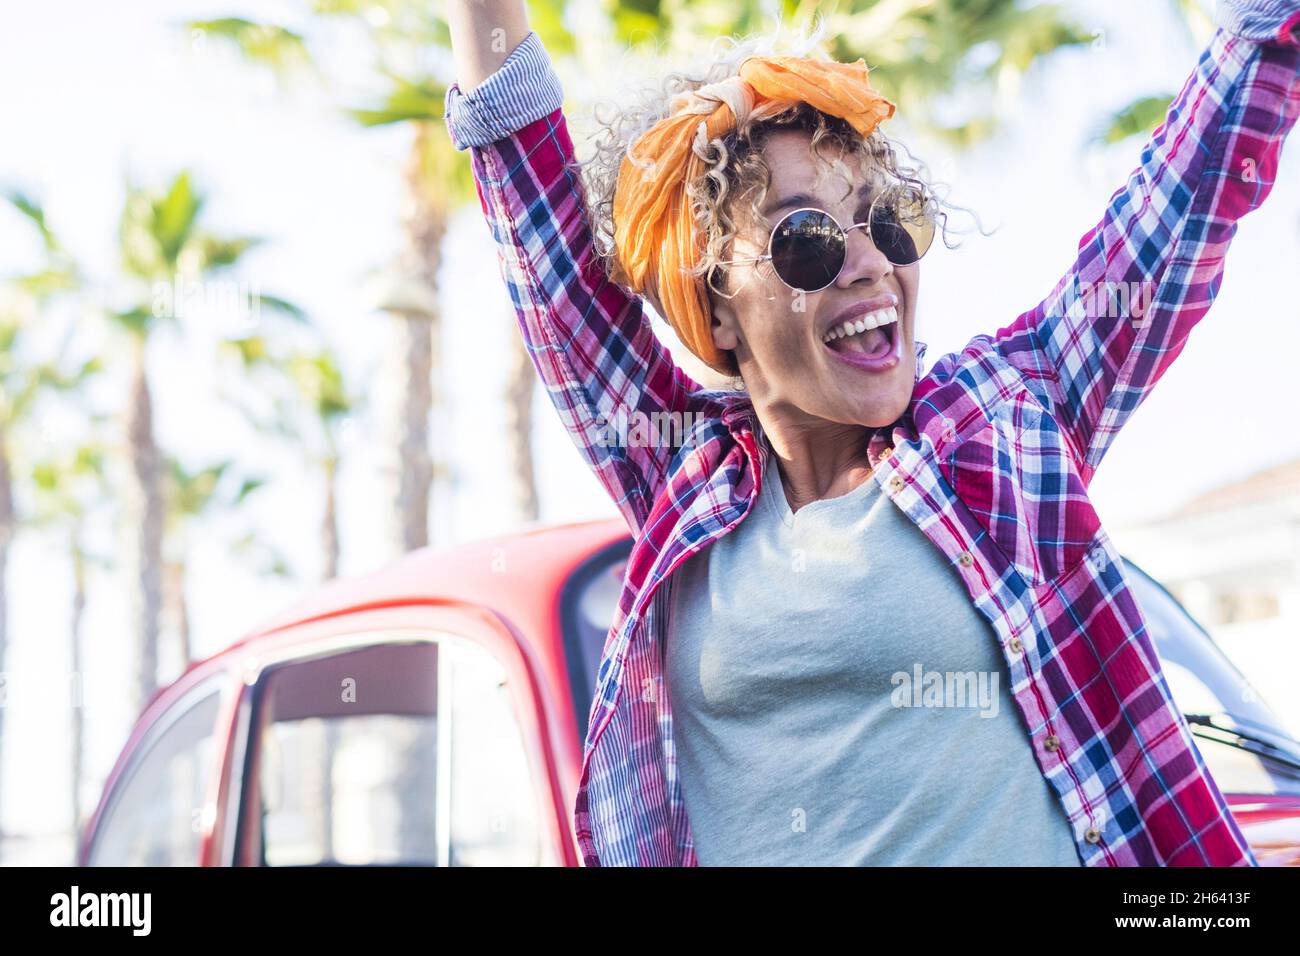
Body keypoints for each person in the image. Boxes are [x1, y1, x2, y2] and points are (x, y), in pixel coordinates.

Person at [445, 0, 1300, 865]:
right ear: (715, 307)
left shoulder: (1001, 429)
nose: (869, 262)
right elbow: (540, 227)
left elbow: (1177, 208)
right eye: (807, 237)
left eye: (885, 222)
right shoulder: (674, 472)